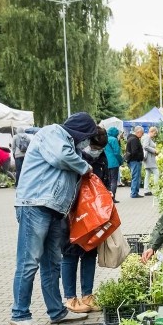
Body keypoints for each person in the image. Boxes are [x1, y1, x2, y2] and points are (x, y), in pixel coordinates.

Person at [10, 112, 97, 325]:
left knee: (52, 264)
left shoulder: (69, 143)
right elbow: (60, 157)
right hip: (34, 204)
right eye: (87, 136)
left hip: (54, 209)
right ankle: (20, 314)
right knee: (29, 262)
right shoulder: (53, 133)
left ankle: (57, 312)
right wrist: (85, 167)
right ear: (81, 131)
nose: (86, 141)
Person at [60, 127, 109, 314]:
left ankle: (87, 295)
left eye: (100, 148)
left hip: (94, 213)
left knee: (89, 252)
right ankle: (70, 298)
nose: (96, 150)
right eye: (94, 146)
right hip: (71, 213)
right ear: (86, 142)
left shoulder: (100, 157)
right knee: (70, 253)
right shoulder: (73, 155)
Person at [104, 127, 123, 202]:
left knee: (107, 181)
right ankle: (112, 197)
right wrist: (120, 161)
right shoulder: (114, 139)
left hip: (105, 162)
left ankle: (106, 198)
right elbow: (117, 152)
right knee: (114, 180)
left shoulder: (104, 138)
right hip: (113, 162)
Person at [126, 126, 145, 198]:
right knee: (136, 177)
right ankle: (134, 193)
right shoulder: (134, 140)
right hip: (135, 161)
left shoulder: (131, 138)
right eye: (142, 133)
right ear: (138, 132)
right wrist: (140, 157)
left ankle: (135, 192)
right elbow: (134, 151)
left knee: (136, 176)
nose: (142, 135)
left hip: (133, 160)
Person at [142, 126, 159, 196]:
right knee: (157, 173)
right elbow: (145, 146)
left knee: (148, 174)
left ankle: (146, 190)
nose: (155, 135)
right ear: (151, 131)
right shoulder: (147, 137)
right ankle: (156, 189)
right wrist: (154, 151)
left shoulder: (147, 137)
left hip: (148, 159)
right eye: (154, 133)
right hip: (149, 159)